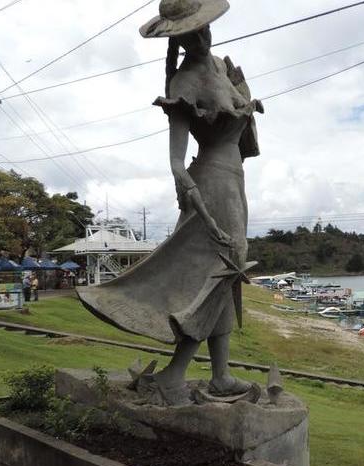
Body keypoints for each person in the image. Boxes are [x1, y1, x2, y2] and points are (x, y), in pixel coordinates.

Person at [77, 0, 263, 406]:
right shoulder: (183, 83)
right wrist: (203, 212)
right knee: (219, 272)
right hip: (210, 185)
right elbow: (177, 163)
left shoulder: (219, 66)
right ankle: (174, 373)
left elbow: (246, 143)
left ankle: (220, 375)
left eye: (204, 29)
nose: (200, 37)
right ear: (177, 38)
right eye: (190, 33)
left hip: (234, 183)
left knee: (227, 274)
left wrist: (245, 96)